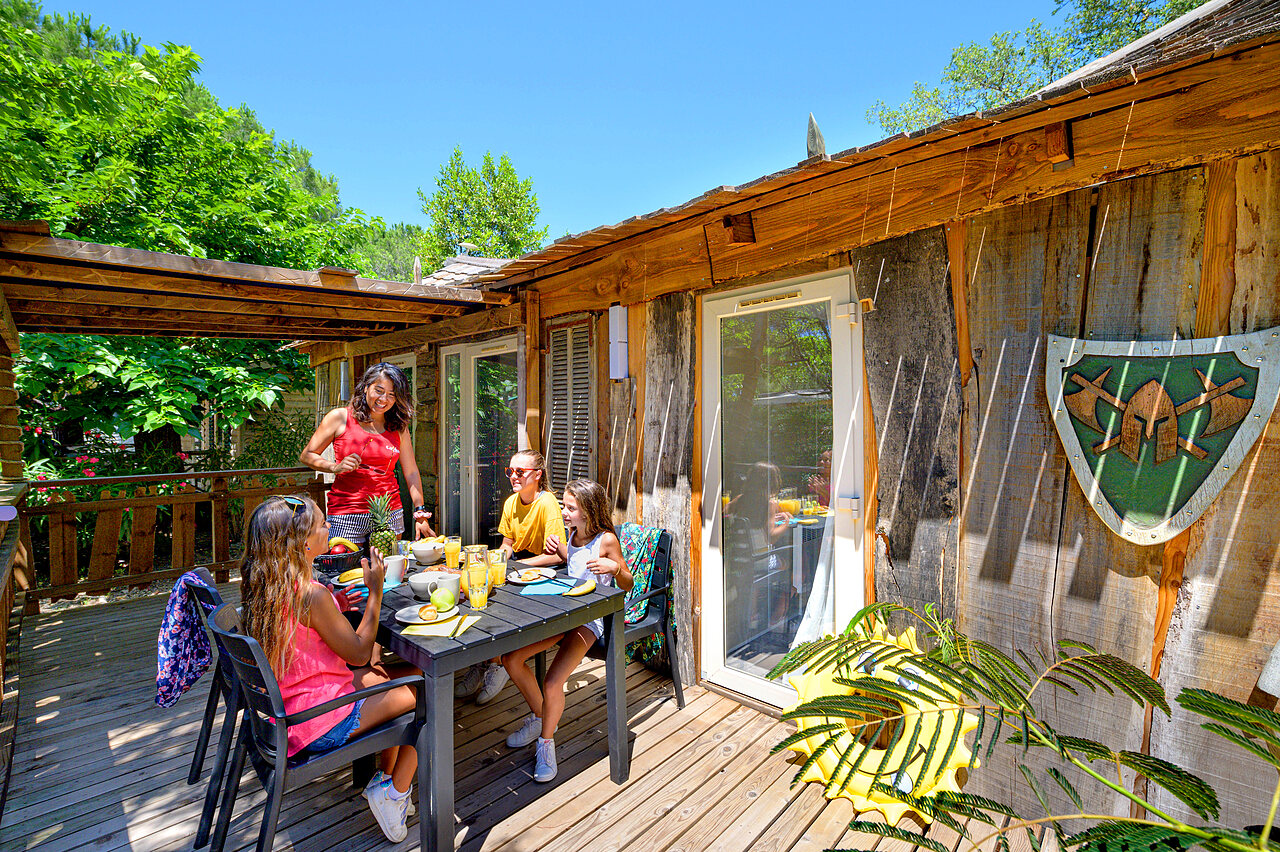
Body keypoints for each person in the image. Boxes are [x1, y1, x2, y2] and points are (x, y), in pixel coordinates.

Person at [239, 495, 420, 842]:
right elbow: (359, 653)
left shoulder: (269, 586)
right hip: (320, 721)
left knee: (382, 677)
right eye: (323, 523)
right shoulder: (311, 594)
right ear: (304, 542)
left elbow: (303, 635)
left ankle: (382, 781)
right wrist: (376, 592)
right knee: (427, 693)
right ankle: (394, 792)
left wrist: (334, 605)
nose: (330, 528)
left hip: (292, 709)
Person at [498, 478, 632, 783]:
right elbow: (572, 563)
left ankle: (546, 743)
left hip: (590, 620)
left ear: (587, 510)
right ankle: (540, 716)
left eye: (570, 508)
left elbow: (628, 583)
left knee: (552, 681)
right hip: (562, 613)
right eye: (564, 506)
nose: (564, 512)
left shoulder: (606, 540)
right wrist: (560, 551)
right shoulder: (572, 535)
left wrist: (615, 570)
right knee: (511, 658)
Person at [456, 450, 567, 705]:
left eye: (520, 472)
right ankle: (484, 662)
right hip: (519, 566)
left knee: (497, 607)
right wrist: (493, 560)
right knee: (479, 597)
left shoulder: (547, 503)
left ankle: (497, 664)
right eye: (510, 471)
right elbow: (508, 545)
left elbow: (557, 557)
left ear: (538, 475)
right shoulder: (511, 502)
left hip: (546, 572)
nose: (513, 476)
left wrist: (516, 565)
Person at [299, 362, 434, 547]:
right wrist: (334, 467)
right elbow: (307, 454)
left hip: (389, 515)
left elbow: (410, 472)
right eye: (379, 390)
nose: (383, 399)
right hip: (346, 515)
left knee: (388, 573)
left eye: (392, 394)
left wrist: (420, 513)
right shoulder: (340, 417)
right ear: (365, 387)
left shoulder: (399, 427)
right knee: (344, 573)